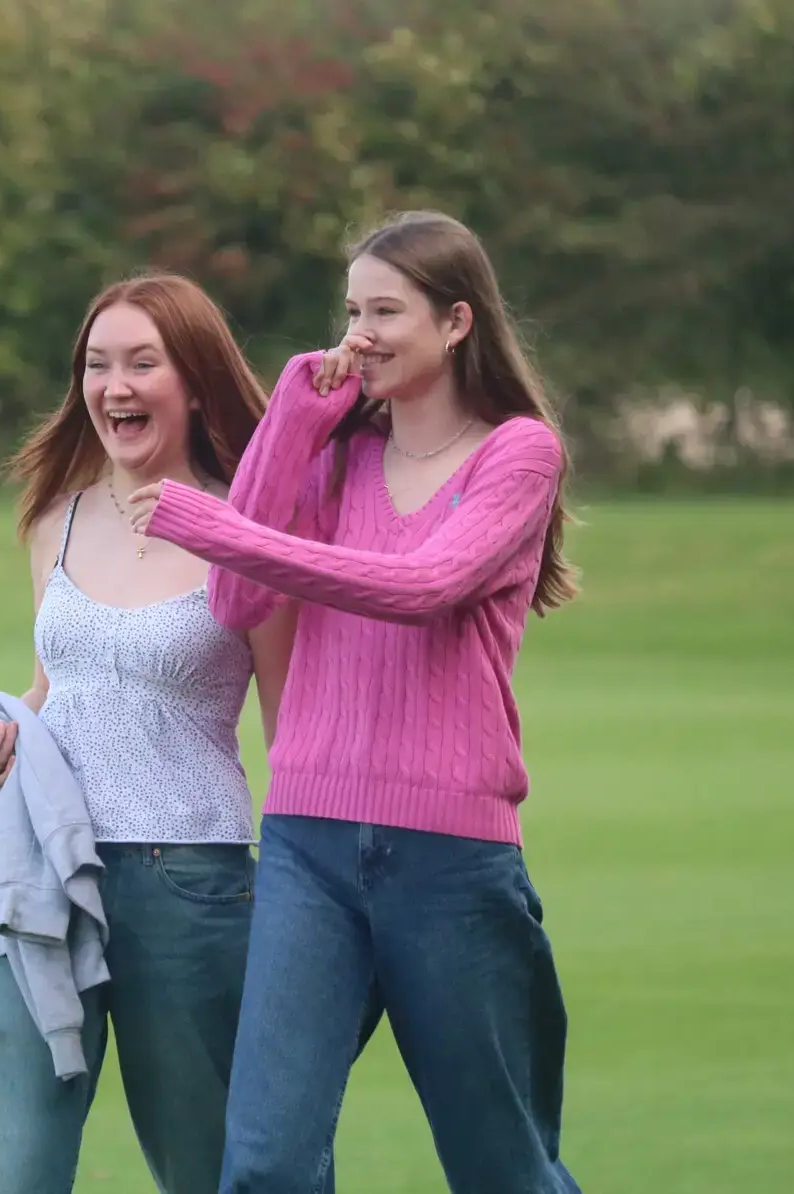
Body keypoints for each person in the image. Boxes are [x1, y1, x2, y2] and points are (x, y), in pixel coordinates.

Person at [127, 211, 583, 1194]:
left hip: (450, 862)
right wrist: (292, 419)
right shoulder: (332, 457)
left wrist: (212, 526)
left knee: (500, 1170)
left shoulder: (518, 455)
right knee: (263, 1168)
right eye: (349, 311)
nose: (358, 333)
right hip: (306, 846)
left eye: (385, 310)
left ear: (456, 322)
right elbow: (238, 599)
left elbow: (426, 587)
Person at [0, 272, 297, 1194]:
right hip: (39, 869)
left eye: (144, 362)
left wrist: (313, 900)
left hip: (187, 881)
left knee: (210, 1171)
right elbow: (51, 687)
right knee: (8, 1172)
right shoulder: (52, 521)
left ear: (193, 381)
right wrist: (0, 744)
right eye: (98, 365)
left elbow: (291, 725)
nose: (116, 386)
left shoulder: (250, 531)